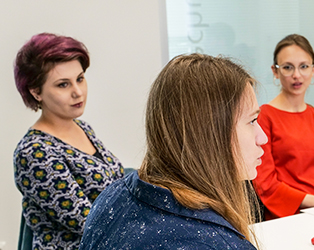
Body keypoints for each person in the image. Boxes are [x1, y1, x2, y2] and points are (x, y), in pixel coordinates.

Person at [79, 54, 267, 249]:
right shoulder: (213, 242)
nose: (262, 138)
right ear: (207, 134)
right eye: (252, 121)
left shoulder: (112, 196)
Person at [12, 33, 125, 249]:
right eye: (63, 85)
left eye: (80, 79)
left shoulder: (82, 128)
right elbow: (89, 223)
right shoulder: (35, 153)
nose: (78, 92)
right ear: (36, 92)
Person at [253, 34, 314, 220]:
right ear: (275, 71)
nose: (297, 75)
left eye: (304, 66)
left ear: (313, 70)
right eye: (288, 67)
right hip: (288, 214)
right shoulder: (264, 117)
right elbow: (265, 183)